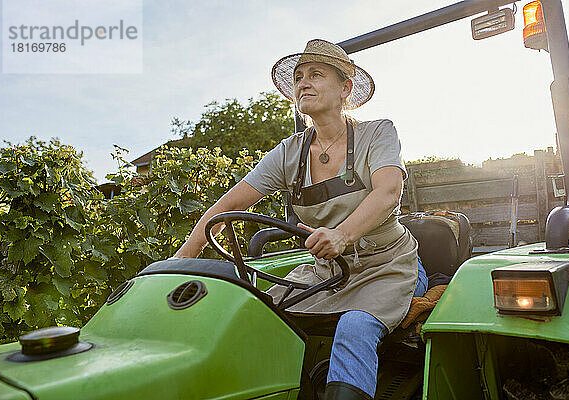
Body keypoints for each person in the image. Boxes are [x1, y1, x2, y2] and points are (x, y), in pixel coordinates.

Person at [174, 39, 428, 400]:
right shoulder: (289, 152)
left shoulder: (378, 133)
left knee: (355, 326)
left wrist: (341, 235)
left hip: (386, 266)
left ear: (345, 88)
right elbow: (223, 208)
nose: (303, 83)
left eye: (315, 74)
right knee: (255, 313)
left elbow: (388, 193)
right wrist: (183, 258)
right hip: (325, 272)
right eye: (298, 77)